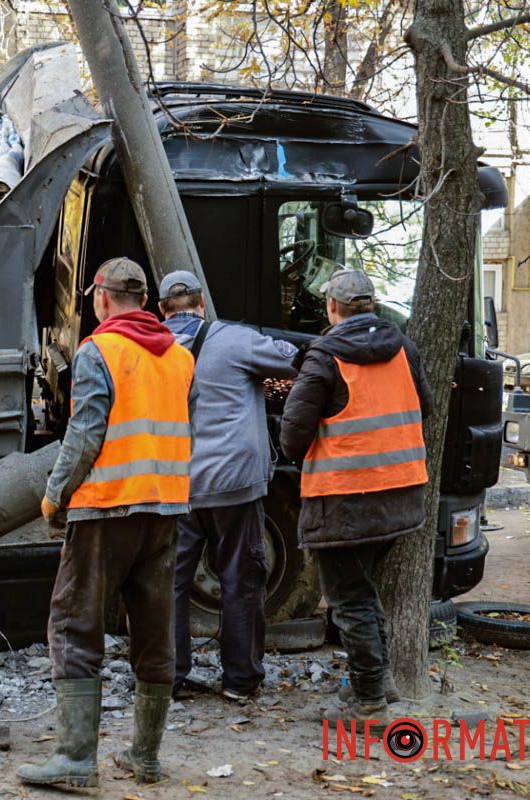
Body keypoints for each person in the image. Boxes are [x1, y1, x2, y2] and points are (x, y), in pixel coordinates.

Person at [16, 258, 195, 788]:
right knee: (153, 628)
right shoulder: (179, 357)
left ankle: (75, 760)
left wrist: (55, 497)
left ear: (101, 297)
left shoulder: (100, 351)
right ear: (145, 300)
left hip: (107, 507)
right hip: (165, 508)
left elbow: (85, 434)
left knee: (74, 623)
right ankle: (144, 756)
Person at [279, 270, 433, 722]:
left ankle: (368, 704)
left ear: (331, 307)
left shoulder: (324, 357)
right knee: (363, 593)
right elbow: (423, 405)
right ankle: (379, 684)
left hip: (345, 500)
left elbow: (292, 438)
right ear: (371, 305)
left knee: (350, 599)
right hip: (401, 497)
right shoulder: (403, 348)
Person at [158, 270, 299, 703]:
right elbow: (290, 357)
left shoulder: (151, 347)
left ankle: (170, 678)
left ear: (162, 309)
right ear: (202, 303)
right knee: (241, 580)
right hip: (233, 484)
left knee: (170, 586)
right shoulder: (233, 340)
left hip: (173, 486)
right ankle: (240, 680)